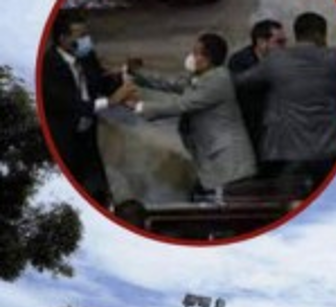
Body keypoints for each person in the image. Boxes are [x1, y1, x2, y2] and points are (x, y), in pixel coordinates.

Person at [235, 11, 336, 191]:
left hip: (285, 151)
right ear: (320, 34)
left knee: (288, 200)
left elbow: (241, 82)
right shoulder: (335, 59)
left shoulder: (276, 60)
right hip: (328, 149)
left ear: (296, 33)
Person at [126, 33, 256, 199]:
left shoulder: (218, 79)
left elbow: (183, 104)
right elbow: (171, 82)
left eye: (195, 53)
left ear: (208, 58)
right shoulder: (202, 77)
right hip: (217, 160)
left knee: (224, 206)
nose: (191, 57)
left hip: (230, 162)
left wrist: (140, 106)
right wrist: (138, 73)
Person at [40, 9, 137, 206]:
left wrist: (122, 78)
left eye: (86, 34)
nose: (87, 40)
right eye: (81, 35)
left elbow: (99, 81)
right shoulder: (48, 67)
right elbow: (73, 105)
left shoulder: (86, 55)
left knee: (99, 192)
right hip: (64, 144)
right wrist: (111, 101)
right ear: (63, 39)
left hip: (88, 139)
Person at [227, 18, 286, 155]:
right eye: (279, 42)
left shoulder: (281, 60)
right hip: (250, 128)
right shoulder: (240, 61)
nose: (284, 47)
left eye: (284, 42)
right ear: (261, 42)